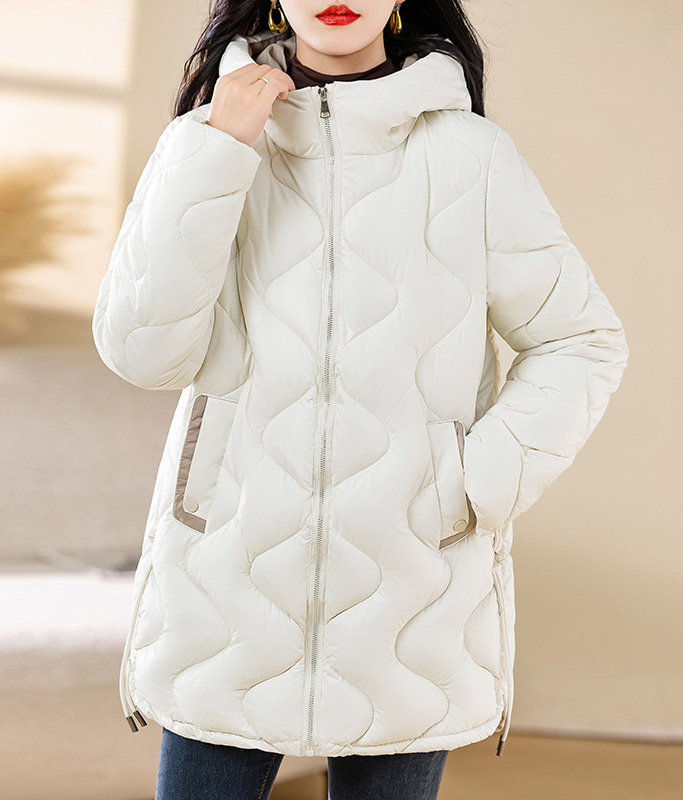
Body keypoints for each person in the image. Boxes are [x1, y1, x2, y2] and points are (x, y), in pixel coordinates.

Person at [91, 1, 629, 798]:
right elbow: (143, 353)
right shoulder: (206, 142)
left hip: (410, 600)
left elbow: (582, 340)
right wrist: (218, 151)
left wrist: (469, 487)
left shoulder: (470, 156)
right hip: (226, 590)